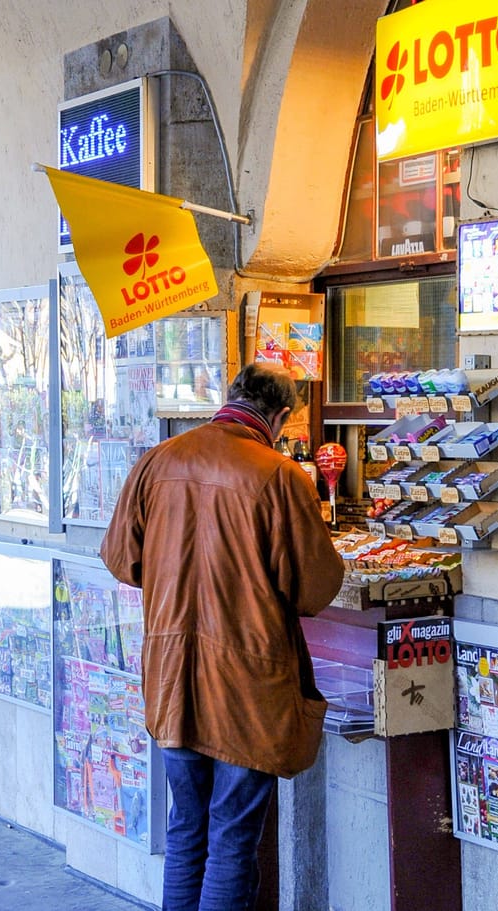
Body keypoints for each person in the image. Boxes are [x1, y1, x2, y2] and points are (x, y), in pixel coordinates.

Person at [101, 362, 344, 911]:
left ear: (232, 398)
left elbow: (122, 559)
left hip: (170, 680)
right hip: (246, 687)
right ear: (280, 416)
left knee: (187, 826)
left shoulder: (157, 462)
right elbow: (314, 590)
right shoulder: (279, 476)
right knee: (232, 836)